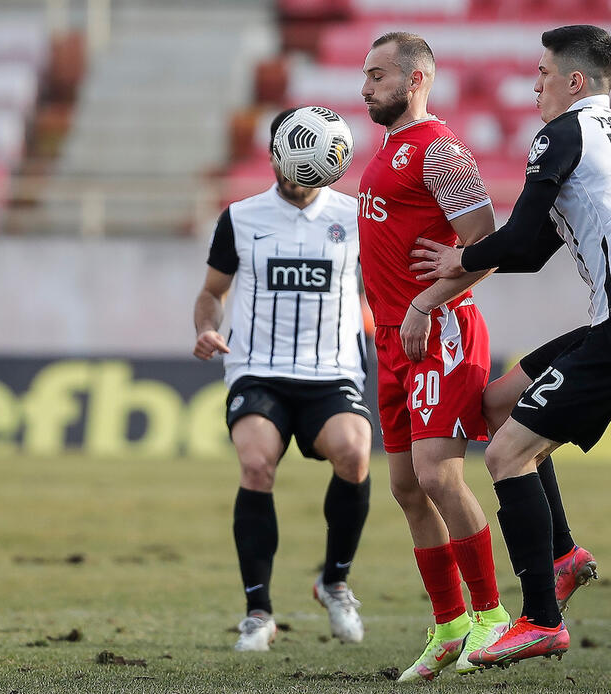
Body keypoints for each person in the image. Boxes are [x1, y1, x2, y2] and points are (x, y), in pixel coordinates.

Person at [410, 24, 611, 667]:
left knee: (505, 457)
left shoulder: (563, 133)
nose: (535, 86)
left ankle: (540, 618)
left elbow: (520, 232)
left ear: (574, 81)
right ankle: (561, 556)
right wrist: (473, 259)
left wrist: (459, 259)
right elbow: (531, 252)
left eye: (544, 73)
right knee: (500, 404)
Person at [356, 32, 516, 681]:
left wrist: (425, 302)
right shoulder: (387, 150)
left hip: (441, 332)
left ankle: (493, 616)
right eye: (365, 76)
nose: (365, 87)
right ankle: (449, 624)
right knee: (403, 486)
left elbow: (487, 244)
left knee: (438, 476)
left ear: (416, 79)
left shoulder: (441, 152)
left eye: (377, 76)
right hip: (392, 339)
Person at [193, 107, 372, 652]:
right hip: (258, 369)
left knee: (355, 454)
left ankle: (334, 581)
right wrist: (205, 328)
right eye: (291, 164)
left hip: (331, 370)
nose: (299, 176)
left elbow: (386, 284)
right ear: (275, 156)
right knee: (255, 464)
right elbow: (211, 293)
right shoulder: (241, 218)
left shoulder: (357, 215)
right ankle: (258, 613)